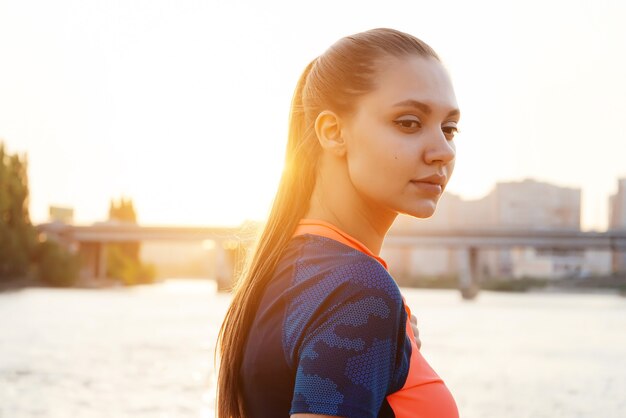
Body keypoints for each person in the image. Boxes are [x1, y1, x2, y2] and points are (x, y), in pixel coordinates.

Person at [216, 28, 460, 418]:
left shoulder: (287, 272)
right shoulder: (357, 292)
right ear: (333, 132)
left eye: (449, 129)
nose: (443, 151)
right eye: (409, 123)